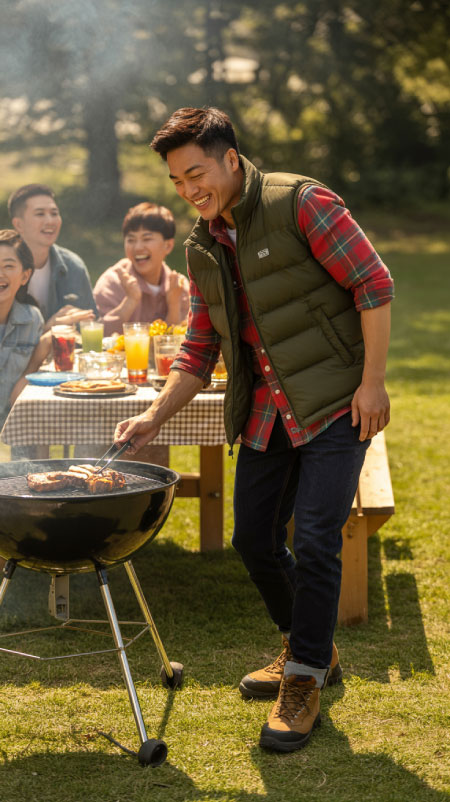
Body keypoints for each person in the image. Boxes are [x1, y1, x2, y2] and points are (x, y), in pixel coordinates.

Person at [113, 107, 394, 753]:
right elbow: (199, 346)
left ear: (230, 158)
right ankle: (310, 651)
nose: (189, 190)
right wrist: (154, 414)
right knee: (254, 541)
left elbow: (373, 285)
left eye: (196, 173)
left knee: (318, 540)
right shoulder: (201, 244)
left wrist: (372, 382)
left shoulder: (303, 203)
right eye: (178, 181)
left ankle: (302, 681)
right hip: (266, 411)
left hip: (334, 403)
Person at [8, 183, 97, 330]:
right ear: (19, 224)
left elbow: (91, 326)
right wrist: (49, 329)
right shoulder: (4, 270)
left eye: (54, 213)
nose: (50, 221)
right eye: (40, 214)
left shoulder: (73, 266)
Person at [93, 202, 189, 336]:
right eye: (131, 240)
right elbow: (98, 338)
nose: (138, 247)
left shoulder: (179, 288)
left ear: (168, 246)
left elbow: (181, 344)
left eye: (147, 238)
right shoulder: (111, 283)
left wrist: (173, 306)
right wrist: (130, 301)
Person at [0, 229, 51, 427]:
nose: (0, 273)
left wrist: (46, 341)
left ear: (25, 276)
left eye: (8, 266)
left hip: (12, 426)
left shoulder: (32, 319)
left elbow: (30, 376)